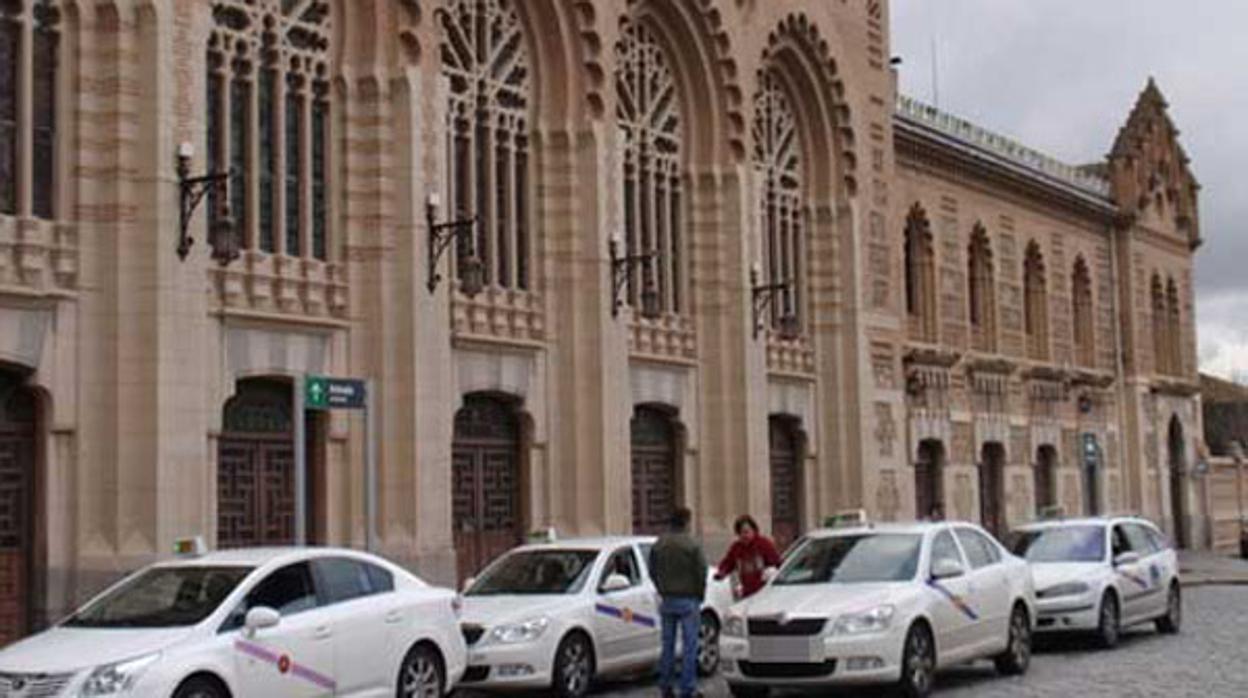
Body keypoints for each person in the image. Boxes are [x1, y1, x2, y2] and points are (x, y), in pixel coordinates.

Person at [649, 507, 707, 698]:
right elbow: (701, 571)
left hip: (667, 598)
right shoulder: (691, 544)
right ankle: (687, 688)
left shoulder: (659, 543)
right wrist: (699, 593)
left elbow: (652, 569)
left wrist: (661, 587)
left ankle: (665, 685)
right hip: (688, 598)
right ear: (686, 522)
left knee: (668, 644)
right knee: (690, 645)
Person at [714, 515, 782, 599]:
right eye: (741, 533)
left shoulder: (764, 544)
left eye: (746, 532)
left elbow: (777, 563)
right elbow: (728, 562)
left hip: (764, 591)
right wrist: (721, 573)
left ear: (753, 530)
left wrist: (771, 572)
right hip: (747, 591)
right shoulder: (736, 548)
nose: (744, 536)